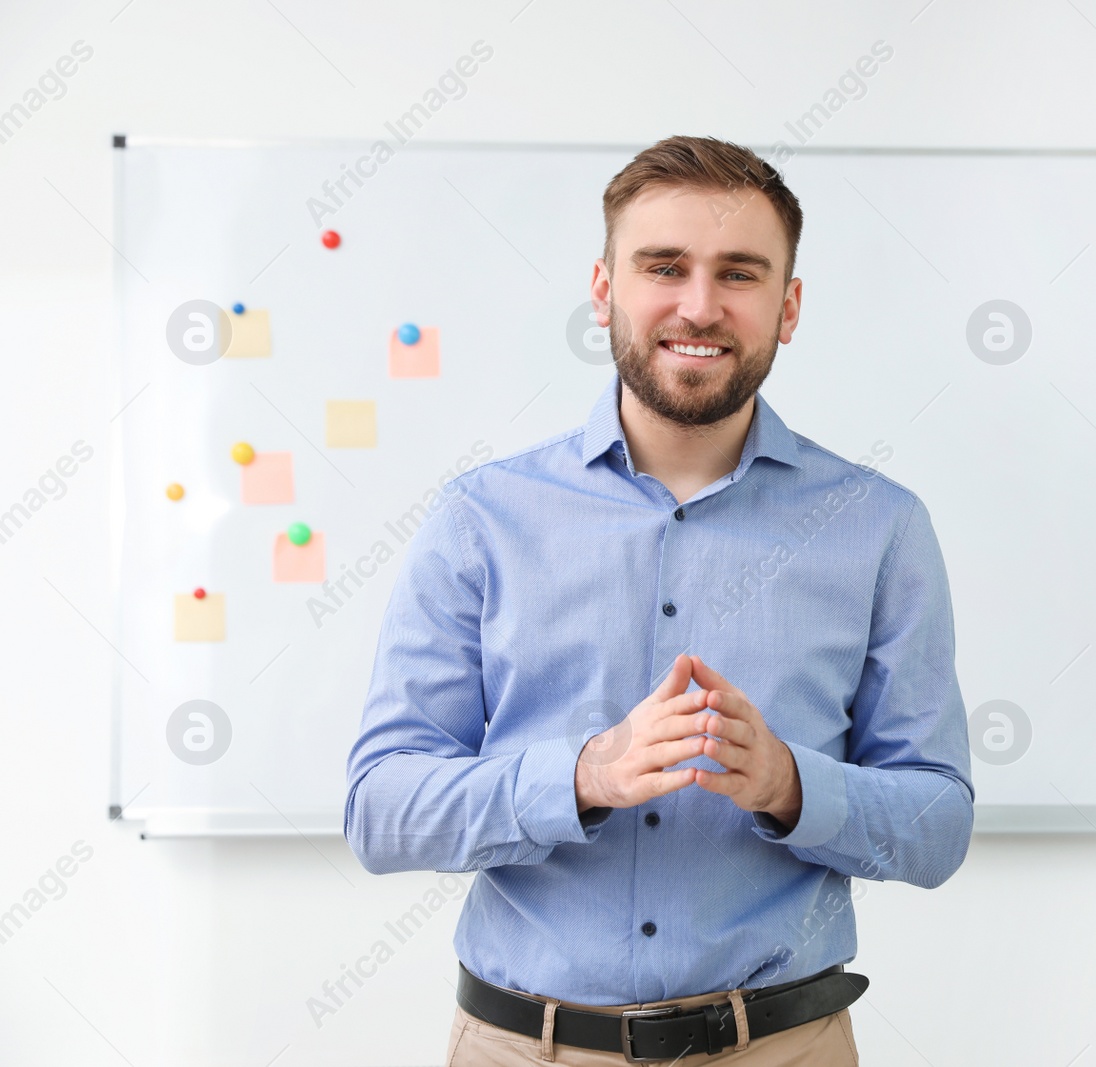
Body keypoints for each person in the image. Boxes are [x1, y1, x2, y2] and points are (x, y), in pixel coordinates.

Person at [345, 134, 974, 1065]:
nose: (700, 305)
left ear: (788, 306)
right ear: (605, 289)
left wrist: (794, 787)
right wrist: (583, 774)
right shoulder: (481, 518)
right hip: (526, 1046)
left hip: (783, 1046)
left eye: (740, 273)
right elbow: (381, 810)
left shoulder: (877, 528)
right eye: (664, 266)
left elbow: (937, 826)